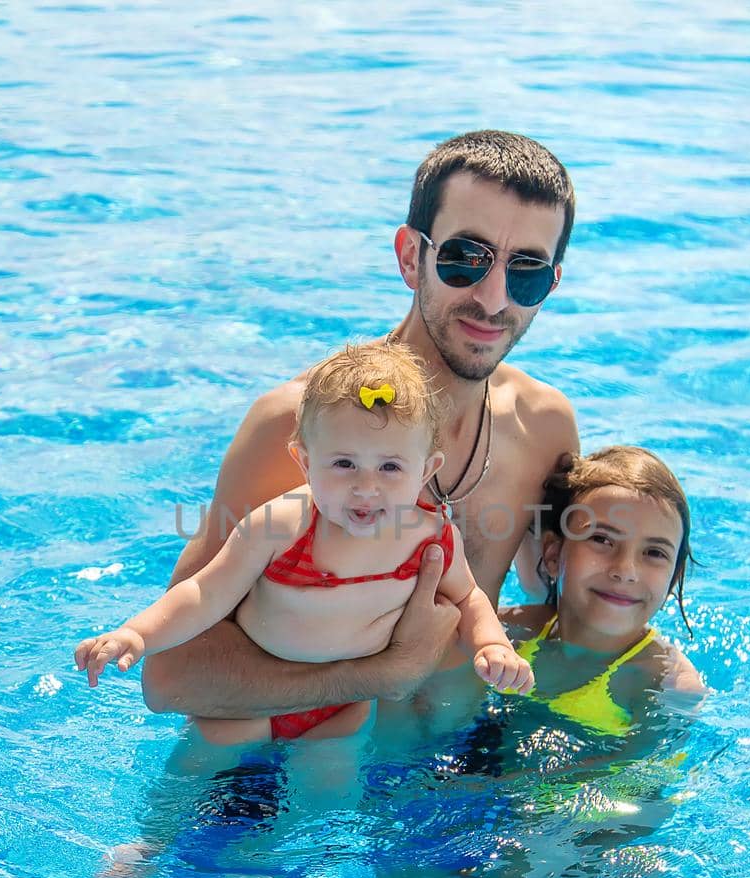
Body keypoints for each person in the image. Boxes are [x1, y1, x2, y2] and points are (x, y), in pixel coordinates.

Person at [139, 130, 582, 723]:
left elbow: (556, 605)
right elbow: (169, 678)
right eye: (464, 258)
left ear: (551, 284)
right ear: (410, 256)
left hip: (466, 770)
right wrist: (380, 675)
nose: (495, 298)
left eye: (525, 271)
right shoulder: (293, 427)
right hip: (285, 784)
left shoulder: (544, 427)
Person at [75, 342, 534, 743]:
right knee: (195, 783)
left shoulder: (431, 538)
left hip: (346, 707)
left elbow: (469, 597)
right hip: (249, 703)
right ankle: (150, 845)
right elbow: (204, 593)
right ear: (304, 460)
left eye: (390, 468)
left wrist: (491, 646)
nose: (366, 487)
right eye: (343, 464)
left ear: (427, 470)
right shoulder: (278, 527)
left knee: (327, 800)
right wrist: (135, 633)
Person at [499, 445, 707, 731]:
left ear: (673, 577)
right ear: (553, 555)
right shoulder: (506, 634)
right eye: (602, 539)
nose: (625, 571)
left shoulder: (666, 686)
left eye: (655, 553)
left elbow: (642, 774)